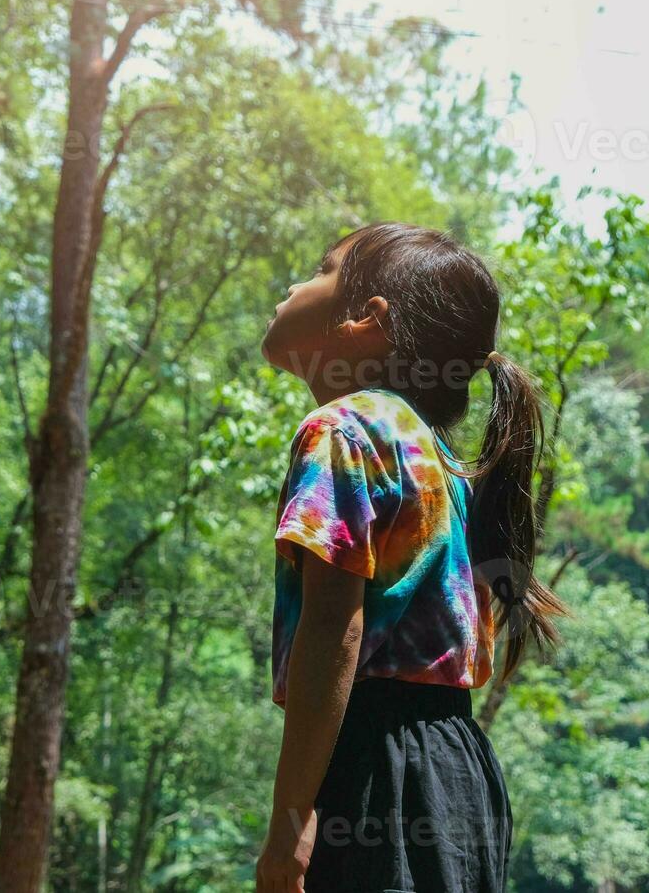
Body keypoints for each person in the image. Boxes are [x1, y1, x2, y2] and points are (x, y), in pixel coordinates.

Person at [254, 222, 567, 892]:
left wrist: (290, 825)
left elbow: (333, 629)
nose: (294, 284)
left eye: (321, 269)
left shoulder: (342, 429)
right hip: (459, 775)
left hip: (378, 776)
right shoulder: (439, 460)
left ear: (369, 320)